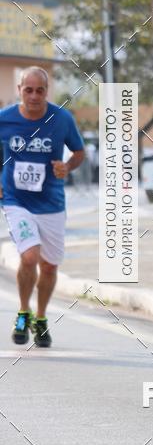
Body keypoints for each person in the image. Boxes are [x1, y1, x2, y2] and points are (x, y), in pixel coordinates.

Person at [0, 67, 85, 347]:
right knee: (30, 258)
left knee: (49, 266)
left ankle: (41, 317)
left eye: (40, 90)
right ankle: (23, 311)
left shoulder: (61, 119)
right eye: (28, 90)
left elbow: (79, 152)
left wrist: (67, 166)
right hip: (16, 201)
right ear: (19, 90)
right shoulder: (5, 119)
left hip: (51, 203)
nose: (34, 96)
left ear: (47, 92)